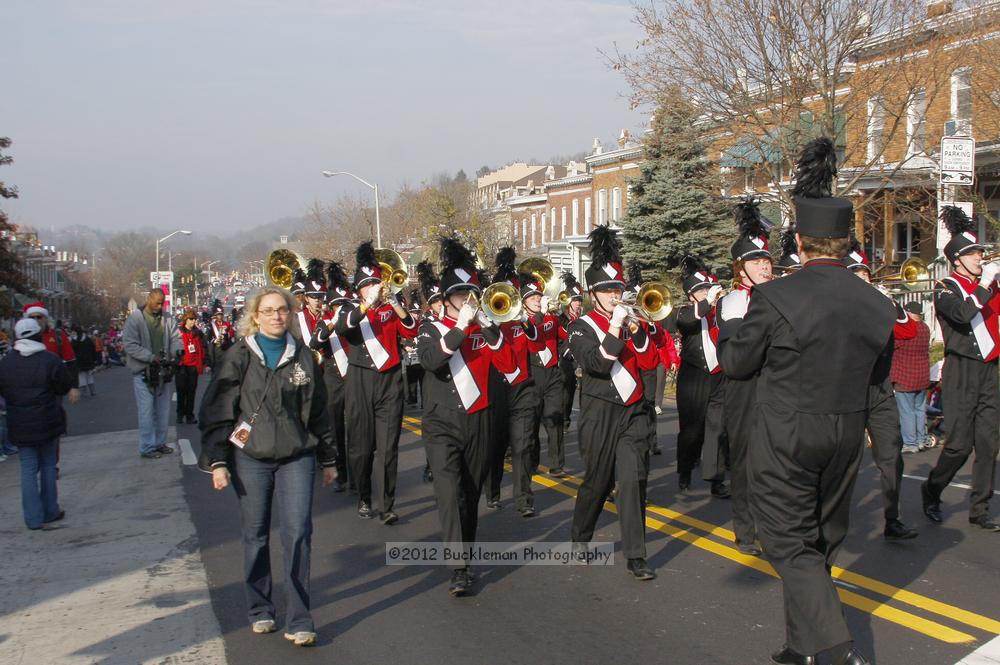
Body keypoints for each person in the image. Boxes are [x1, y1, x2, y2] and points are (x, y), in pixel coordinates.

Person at [720, 138, 893, 665]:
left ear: (800, 240)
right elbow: (877, 377)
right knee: (821, 540)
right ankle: (802, 644)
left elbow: (737, 364)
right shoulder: (876, 302)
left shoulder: (775, 296)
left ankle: (837, 648)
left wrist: (730, 328)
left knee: (787, 542)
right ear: (844, 243)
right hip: (845, 432)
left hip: (786, 433)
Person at [198, 286, 338, 647]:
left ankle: (300, 618)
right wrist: (218, 462)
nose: (277, 316)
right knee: (255, 535)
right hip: (251, 459)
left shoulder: (304, 357)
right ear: (255, 316)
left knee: (298, 533)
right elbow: (218, 410)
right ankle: (261, 609)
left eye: (283, 310)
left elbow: (319, 411)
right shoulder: (239, 356)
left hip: (296, 457)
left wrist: (328, 458)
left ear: (290, 315)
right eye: (269, 310)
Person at [417, 236, 516, 595]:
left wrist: (491, 330)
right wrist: (461, 327)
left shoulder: (484, 328)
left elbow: (510, 369)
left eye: (471, 294)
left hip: (479, 419)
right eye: (460, 296)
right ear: (445, 300)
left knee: (469, 494)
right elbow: (431, 360)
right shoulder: (431, 328)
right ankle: (458, 567)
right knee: (448, 490)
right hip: (441, 422)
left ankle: (466, 556)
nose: (468, 301)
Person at [568, 225, 656, 581]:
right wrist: (617, 327)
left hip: (633, 412)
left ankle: (636, 555)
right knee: (598, 481)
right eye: (606, 290)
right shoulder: (581, 327)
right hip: (599, 411)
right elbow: (598, 364)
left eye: (617, 288)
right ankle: (580, 536)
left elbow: (650, 363)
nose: (613, 295)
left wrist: (638, 330)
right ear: (593, 293)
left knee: (633, 479)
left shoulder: (631, 320)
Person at [922, 206, 1000, 532]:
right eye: (972, 253)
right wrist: (985, 283)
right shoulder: (946, 288)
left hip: (990, 370)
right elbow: (963, 315)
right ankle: (932, 489)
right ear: (957, 259)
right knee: (958, 446)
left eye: (980, 251)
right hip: (961, 372)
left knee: (989, 444)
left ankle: (979, 510)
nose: (980, 257)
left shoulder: (990, 287)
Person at [704, 197, 774, 555]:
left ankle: (776, 523)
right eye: (756, 261)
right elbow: (733, 357)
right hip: (746, 389)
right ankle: (747, 530)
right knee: (747, 461)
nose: (764, 266)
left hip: (777, 387)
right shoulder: (733, 302)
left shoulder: (778, 296)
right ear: (741, 268)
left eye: (766, 259)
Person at [334, 241, 420, 524]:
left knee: (388, 446)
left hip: (390, 379)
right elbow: (345, 328)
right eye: (369, 285)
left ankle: (387, 504)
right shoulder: (349, 309)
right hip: (360, 380)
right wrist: (368, 302)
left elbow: (411, 331)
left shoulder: (392, 307)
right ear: (359, 289)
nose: (375, 289)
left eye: (377, 284)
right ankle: (364, 495)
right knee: (361, 447)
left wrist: (394, 302)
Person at [842, 241, 920, 541]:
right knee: (844, 459)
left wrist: (891, 303)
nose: (864, 280)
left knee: (891, 454)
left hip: (880, 389)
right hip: (848, 390)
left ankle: (892, 517)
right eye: (857, 275)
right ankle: (830, 518)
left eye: (866, 274)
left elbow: (908, 331)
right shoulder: (840, 307)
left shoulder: (880, 305)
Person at [0, 318, 74, 530]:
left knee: (28, 469)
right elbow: (63, 386)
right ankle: (50, 509)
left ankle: (32, 518)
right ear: (38, 335)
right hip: (47, 419)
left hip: (19, 422)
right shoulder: (50, 360)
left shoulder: (6, 363)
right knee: (49, 465)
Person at [486, 248, 541, 517]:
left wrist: (525, 321)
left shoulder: (523, 321)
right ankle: (493, 492)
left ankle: (524, 499)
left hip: (522, 387)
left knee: (523, 445)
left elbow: (539, 345)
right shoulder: (489, 321)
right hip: (496, 386)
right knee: (496, 445)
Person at [674, 255, 724, 493]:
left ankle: (715, 479)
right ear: (691, 295)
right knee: (692, 430)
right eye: (701, 290)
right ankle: (684, 472)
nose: (706, 293)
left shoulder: (719, 310)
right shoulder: (684, 311)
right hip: (693, 377)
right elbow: (687, 321)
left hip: (718, 375)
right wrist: (706, 303)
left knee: (717, 428)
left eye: (708, 289)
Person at [123, 288, 183, 459]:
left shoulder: (167, 318)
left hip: (164, 371)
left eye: (161, 303)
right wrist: (150, 357)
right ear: (148, 298)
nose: (159, 306)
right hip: (143, 371)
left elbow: (175, 338)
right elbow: (129, 344)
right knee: (147, 411)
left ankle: (160, 442)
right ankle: (147, 446)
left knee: (163, 410)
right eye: (156, 302)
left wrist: (177, 351)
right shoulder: (136, 318)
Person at [312, 261, 354, 493]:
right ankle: (341, 473)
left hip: (354, 378)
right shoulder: (325, 322)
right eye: (336, 305)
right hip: (333, 379)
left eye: (344, 305)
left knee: (357, 430)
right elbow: (315, 342)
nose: (341, 309)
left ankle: (358, 474)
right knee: (337, 429)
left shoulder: (355, 322)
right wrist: (330, 324)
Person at [522, 268, 567, 476]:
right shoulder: (520, 322)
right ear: (523, 301)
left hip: (552, 374)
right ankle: (532, 462)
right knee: (532, 422)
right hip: (532, 374)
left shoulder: (551, 318)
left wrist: (563, 315)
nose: (537, 299)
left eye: (539, 295)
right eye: (532, 297)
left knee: (554, 418)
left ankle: (556, 463)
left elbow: (565, 335)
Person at [891, 302, 931, 453]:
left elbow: (893, 345)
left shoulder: (906, 329)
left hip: (905, 376)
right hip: (922, 375)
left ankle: (910, 443)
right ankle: (921, 440)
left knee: (907, 412)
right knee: (920, 410)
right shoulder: (925, 328)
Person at [22, 302, 80, 402]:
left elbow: (71, 361)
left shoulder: (57, 335)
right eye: (32, 318)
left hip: (52, 388)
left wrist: (74, 386)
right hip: (27, 387)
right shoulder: (21, 336)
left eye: (39, 317)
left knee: (52, 415)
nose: (36, 321)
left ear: (45, 318)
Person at [558, 271, 585, 429]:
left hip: (581, 360)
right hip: (566, 360)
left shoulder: (582, 320)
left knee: (585, 392)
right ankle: (564, 420)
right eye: (575, 301)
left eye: (580, 301)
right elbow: (561, 341)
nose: (579, 304)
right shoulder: (561, 319)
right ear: (568, 302)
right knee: (566, 393)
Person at [176, 310, 206, 424]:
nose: (193, 321)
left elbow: (204, 347)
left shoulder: (198, 333)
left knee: (191, 392)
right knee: (181, 391)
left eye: (194, 319)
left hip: (194, 366)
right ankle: (180, 414)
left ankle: (189, 415)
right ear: (186, 320)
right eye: (191, 319)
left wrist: (205, 362)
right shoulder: (179, 332)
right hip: (182, 366)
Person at [70, 326, 98, 396]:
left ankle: (84, 392)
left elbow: (71, 352)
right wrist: (94, 359)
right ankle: (93, 391)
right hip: (88, 360)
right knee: (89, 375)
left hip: (78, 361)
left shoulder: (74, 341)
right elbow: (93, 349)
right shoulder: (87, 339)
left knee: (81, 377)